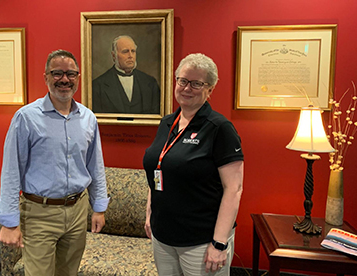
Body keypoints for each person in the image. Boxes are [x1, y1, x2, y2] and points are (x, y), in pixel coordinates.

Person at [0, 49, 109, 276]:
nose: (65, 79)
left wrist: (99, 208)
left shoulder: (88, 118)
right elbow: (11, 171)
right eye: (57, 73)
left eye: (71, 74)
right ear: (46, 77)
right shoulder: (26, 117)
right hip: (39, 214)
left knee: (69, 273)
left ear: (78, 78)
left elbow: (96, 166)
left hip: (77, 210)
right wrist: (9, 221)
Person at [143, 53, 244, 276]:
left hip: (201, 241)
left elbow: (234, 189)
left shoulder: (219, 128)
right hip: (163, 237)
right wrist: (150, 212)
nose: (187, 88)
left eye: (197, 83)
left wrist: (219, 244)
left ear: (210, 89)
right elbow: (158, 168)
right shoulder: (168, 122)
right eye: (183, 80)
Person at [92, 35, 161, 114]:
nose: (130, 56)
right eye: (125, 51)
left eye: (133, 51)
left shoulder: (150, 83)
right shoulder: (98, 86)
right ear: (114, 56)